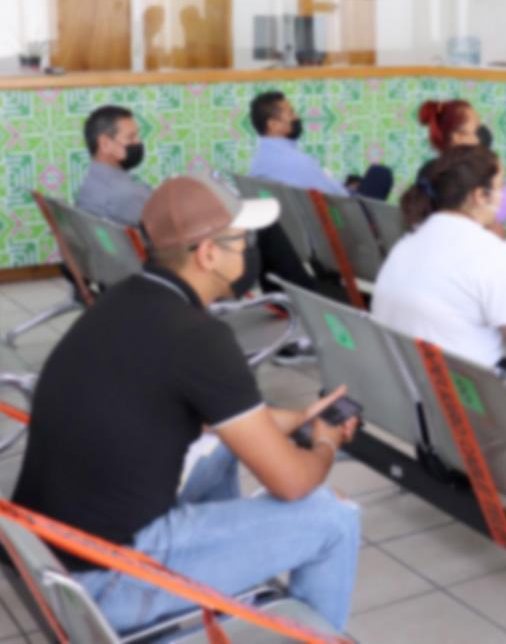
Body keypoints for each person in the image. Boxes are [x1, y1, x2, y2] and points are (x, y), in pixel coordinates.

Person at [13, 175, 360, 633]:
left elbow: (184, 416)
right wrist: (327, 441)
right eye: (243, 241)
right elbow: (294, 483)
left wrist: (295, 419)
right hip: (108, 577)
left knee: (221, 450)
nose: (249, 252)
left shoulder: (121, 302)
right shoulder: (200, 339)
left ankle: (224, 585)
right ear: (208, 254)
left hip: (48, 551)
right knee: (333, 520)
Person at [372, 146, 506, 404]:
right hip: (460, 392)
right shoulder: (492, 252)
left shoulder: (409, 241)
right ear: (479, 195)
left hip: (400, 380)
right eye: (501, 186)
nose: (504, 196)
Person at [418, 99, 506, 319]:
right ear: (457, 137)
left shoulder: (428, 170)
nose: (480, 137)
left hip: (438, 258)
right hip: (462, 262)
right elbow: (487, 232)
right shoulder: (468, 179)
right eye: (475, 131)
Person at [249, 90, 392, 200]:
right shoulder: (295, 161)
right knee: (379, 174)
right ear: (273, 124)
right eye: (291, 113)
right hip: (345, 213)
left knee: (358, 180)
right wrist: (348, 191)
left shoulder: (261, 159)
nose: (297, 117)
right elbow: (338, 197)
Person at [75, 105, 152, 226]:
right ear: (105, 144)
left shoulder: (92, 181)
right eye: (131, 137)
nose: (138, 142)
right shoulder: (127, 193)